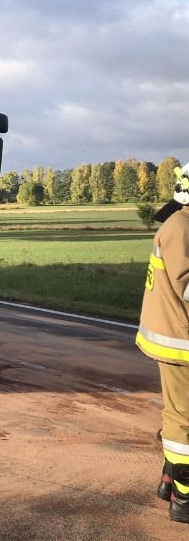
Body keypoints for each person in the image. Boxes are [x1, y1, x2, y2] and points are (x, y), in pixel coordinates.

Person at [137, 161, 189, 524]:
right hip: (180, 340)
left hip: (175, 337)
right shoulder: (181, 228)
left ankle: (169, 480)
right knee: (184, 418)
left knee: (178, 414)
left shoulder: (179, 223)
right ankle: (184, 497)